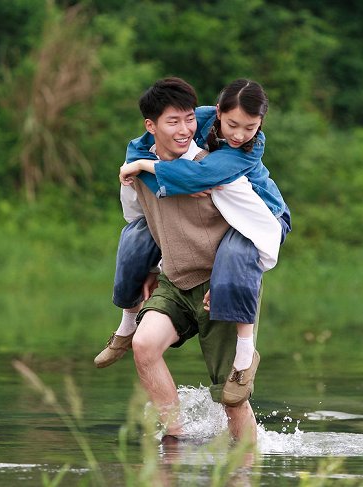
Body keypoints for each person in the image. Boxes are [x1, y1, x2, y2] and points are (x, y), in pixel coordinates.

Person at [113, 77, 288, 442]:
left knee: (231, 398)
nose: (184, 128)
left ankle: (245, 468)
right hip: (175, 281)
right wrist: (150, 266)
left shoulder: (224, 169)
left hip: (218, 285)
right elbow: (139, 220)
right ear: (152, 126)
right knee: (144, 346)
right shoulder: (139, 164)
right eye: (173, 121)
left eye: (188, 120)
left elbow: (262, 231)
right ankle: (174, 444)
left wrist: (231, 282)